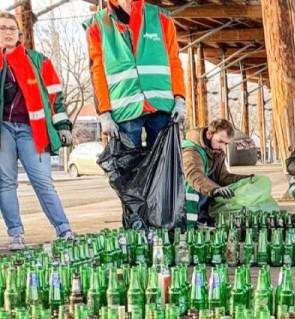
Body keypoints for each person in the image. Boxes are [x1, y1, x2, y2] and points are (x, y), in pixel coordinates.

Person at [0, 11, 74, 250]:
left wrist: (62, 126)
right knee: (5, 183)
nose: (8, 32)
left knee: (43, 183)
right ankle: (16, 235)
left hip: (32, 130)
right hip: (3, 131)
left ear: (19, 34)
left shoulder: (38, 60)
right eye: (3, 28)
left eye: (12, 28)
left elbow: (56, 97)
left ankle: (64, 230)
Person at [85, 0, 186, 147]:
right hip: (124, 110)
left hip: (162, 106)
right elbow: (97, 73)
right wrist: (104, 114)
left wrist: (179, 100)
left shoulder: (161, 18)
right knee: (126, 167)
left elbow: (174, 62)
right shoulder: (97, 25)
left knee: (164, 167)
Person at [182, 119, 254, 227]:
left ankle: (202, 220)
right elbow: (194, 174)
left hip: (201, 199)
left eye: (226, 143)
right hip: (182, 204)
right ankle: (187, 227)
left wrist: (246, 179)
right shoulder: (191, 150)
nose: (222, 147)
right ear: (209, 134)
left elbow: (222, 176)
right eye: (220, 141)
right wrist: (215, 189)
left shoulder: (217, 152)